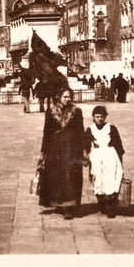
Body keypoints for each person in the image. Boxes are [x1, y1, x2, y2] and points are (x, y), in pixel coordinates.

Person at [38, 89, 86, 219]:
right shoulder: (51, 111)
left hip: (71, 148)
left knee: (70, 175)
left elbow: (80, 131)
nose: (67, 99)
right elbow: (46, 132)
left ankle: (69, 206)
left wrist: (84, 150)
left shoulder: (76, 111)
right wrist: (43, 151)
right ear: (59, 97)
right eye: (65, 97)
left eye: (69, 97)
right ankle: (59, 204)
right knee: (56, 176)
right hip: (54, 148)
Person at [84, 105, 125, 218]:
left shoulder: (111, 128)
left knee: (111, 179)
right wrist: (86, 157)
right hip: (96, 156)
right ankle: (101, 203)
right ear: (93, 117)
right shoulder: (90, 129)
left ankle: (111, 206)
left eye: (102, 117)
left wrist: (120, 161)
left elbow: (118, 145)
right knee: (98, 179)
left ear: (105, 117)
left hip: (110, 156)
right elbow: (86, 145)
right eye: (97, 117)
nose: (100, 119)